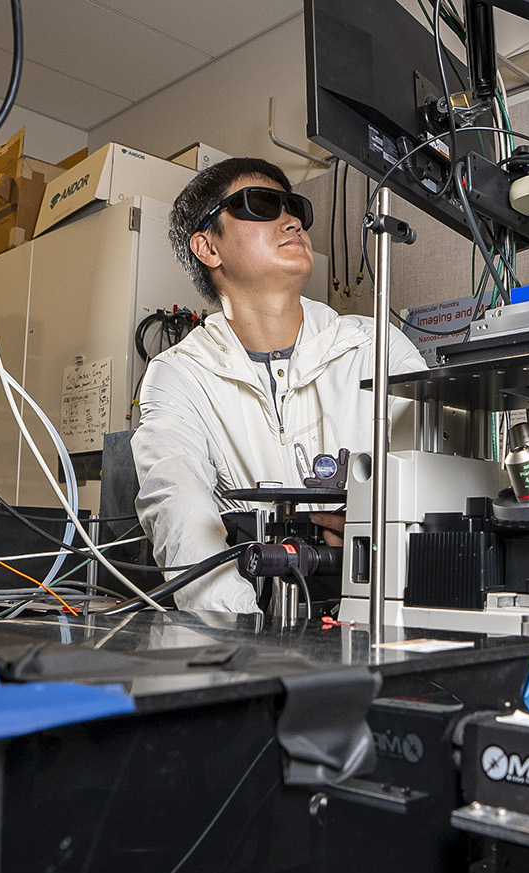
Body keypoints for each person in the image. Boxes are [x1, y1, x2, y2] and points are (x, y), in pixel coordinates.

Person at [132, 157, 426, 614]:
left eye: (294, 208)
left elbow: (435, 483)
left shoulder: (375, 346)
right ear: (208, 247)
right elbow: (181, 518)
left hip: (385, 608)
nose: (291, 220)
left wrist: (379, 533)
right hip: (259, 621)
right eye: (261, 205)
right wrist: (247, 643)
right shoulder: (181, 374)